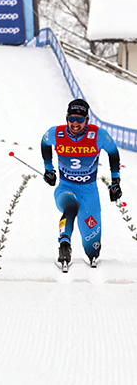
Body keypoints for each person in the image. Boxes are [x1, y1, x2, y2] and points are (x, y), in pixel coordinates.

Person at [41, 99, 122, 269]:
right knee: (70, 207)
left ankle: (91, 255)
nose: (75, 124)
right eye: (71, 119)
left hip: (89, 191)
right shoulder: (56, 133)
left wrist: (116, 181)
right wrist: (49, 169)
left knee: (93, 247)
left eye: (80, 119)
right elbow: (44, 142)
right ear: (67, 118)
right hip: (66, 187)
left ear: (87, 119)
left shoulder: (98, 134)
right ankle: (64, 245)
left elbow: (113, 152)